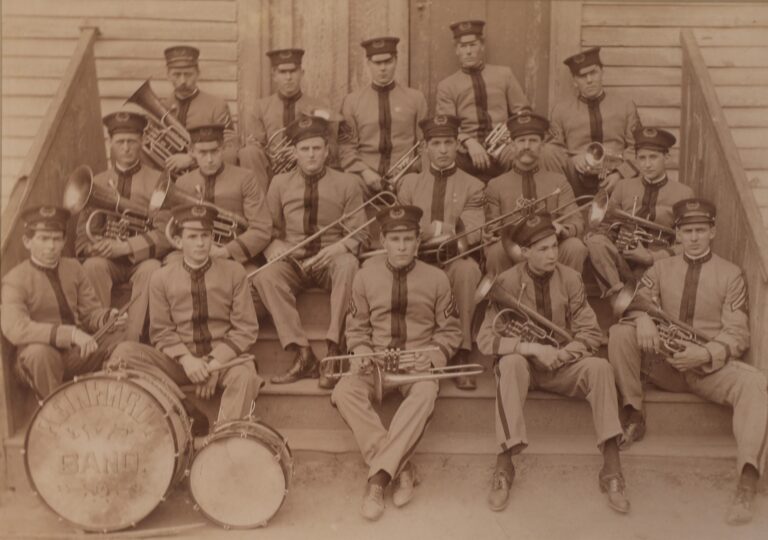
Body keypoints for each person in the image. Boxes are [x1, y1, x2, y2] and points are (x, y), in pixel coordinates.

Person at [607, 198, 766, 525]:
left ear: (713, 232)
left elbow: (738, 333)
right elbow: (636, 303)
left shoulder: (731, 274)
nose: (694, 237)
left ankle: (748, 480)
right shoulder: (659, 268)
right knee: (620, 333)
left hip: (708, 369)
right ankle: (634, 414)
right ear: (677, 234)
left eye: (701, 230)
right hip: (664, 365)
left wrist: (706, 353)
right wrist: (642, 319)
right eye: (687, 231)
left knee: (754, 383)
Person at [477, 213, 629, 515]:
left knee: (600, 368)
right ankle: (504, 466)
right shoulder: (506, 282)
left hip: (563, 364)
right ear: (525, 252)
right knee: (509, 365)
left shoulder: (570, 278)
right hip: (527, 369)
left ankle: (612, 468)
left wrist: (562, 353)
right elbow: (485, 341)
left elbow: (590, 332)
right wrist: (531, 348)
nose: (552, 254)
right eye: (543, 249)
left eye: (554, 247)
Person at [331, 204, 462, 521]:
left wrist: (433, 356)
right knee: (343, 391)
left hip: (417, 363)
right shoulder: (364, 277)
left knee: (426, 394)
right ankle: (401, 467)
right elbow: (357, 327)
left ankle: (377, 481)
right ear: (382, 242)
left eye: (408, 239)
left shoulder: (438, 279)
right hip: (375, 362)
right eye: (395, 239)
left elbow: (451, 331)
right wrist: (360, 349)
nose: (402, 246)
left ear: (418, 242)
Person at [106, 204, 263, 428]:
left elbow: (245, 329)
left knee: (245, 375)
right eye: (192, 236)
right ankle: (181, 407)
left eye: (205, 236)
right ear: (178, 242)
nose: (200, 243)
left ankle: (226, 437)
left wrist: (211, 365)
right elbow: (161, 331)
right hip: (179, 362)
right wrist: (188, 361)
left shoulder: (234, 272)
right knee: (124, 353)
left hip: (223, 361)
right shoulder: (161, 277)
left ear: (212, 238)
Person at [252, 114, 366, 387]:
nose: (311, 155)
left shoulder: (348, 183)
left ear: (327, 151)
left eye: (317, 148)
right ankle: (303, 354)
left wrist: (340, 247)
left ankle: (335, 351)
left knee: (349, 265)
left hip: (331, 260)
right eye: (305, 149)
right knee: (264, 276)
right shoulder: (279, 183)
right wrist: (272, 244)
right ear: (294, 153)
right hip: (294, 261)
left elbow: (361, 233)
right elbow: (268, 227)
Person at [397, 114, 483, 390]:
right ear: (425, 147)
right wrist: (445, 229)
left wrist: (430, 228)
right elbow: (401, 231)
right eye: (436, 143)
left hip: (454, 259)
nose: (443, 150)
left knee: (468, 270)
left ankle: (462, 353)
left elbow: (472, 233)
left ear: (458, 144)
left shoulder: (474, 186)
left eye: (449, 142)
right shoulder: (408, 184)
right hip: (415, 259)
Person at [2, 206, 123, 398]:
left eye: (56, 239)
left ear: (64, 241)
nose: (51, 246)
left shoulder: (73, 267)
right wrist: (71, 334)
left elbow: (90, 312)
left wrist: (107, 317)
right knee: (40, 354)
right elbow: (16, 329)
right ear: (27, 241)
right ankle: (55, 413)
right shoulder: (15, 279)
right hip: (37, 359)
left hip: (75, 353)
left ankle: (108, 401)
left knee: (123, 339)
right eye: (43, 238)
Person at [75, 111, 166, 342]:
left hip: (143, 259)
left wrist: (125, 246)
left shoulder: (158, 180)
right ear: (111, 144)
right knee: (93, 266)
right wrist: (93, 248)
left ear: (143, 142)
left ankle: (131, 340)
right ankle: (98, 338)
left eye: (132, 142)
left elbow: (166, 231)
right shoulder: (96, 181)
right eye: (120, 142)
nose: (126, 148)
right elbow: (83, 236)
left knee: (153, 270)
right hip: (107, 260)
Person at [586, 127, 693, 298]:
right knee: (595, 241)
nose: (647, 164)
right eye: (642, 158)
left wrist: (651, 257)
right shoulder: (623, 186)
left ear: (666, 157)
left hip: (657, 264)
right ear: (636, 159)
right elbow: (605, 227)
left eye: (653, 157)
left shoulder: (683, 193)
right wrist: (617, 241)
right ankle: (618, 294)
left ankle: (631, 301)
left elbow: (687, 243)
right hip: (622, 260)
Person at [484, 112, 588, 277]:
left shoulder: (559, 182)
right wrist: (491, 234)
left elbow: (576, 222)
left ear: (541, 146)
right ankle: (503, 300)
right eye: (521, 141)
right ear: (512, 146)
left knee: (575, 247)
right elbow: (492, 227)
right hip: (515, 250)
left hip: (551, 248)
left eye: (533, 141)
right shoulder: (495, 185)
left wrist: (564, 229)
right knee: (496, 251)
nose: (527, 146)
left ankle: (570, 298)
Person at [435, 19, 528, 182]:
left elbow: (523, 113)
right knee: (442, 159)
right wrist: (470, 143)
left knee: (523, 157)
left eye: (473, 44)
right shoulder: (447, 86)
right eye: (463, 46)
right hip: (466, 153)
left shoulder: (504, 75)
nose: (469, 51)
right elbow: (446, 128)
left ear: (482, 46)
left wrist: (511, 139)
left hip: (503, 148)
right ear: (457, 50)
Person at [173, 124, 272, 274]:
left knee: (251, 279)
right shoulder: (183, 182)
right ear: (191, 151)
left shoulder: (246, 178)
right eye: (202, 152)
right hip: (191, 253)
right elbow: (175, 227)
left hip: (235, 256)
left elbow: (261, 228)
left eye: (215, 151)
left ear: (223, 148)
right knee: (170, 272)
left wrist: (226, 251)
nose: (210, 159)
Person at [338, 37, 427, 195]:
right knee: (348, 185)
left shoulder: (416, 98)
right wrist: (364, 172)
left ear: (396, 61)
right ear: (368, 64)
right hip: (365, 177)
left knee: (414, 186)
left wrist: (411, 169)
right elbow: (346, 147)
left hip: (405, 176)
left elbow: (424, 145)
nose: (383, 68)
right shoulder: (351, 102)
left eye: (388, 62)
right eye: (377, 63)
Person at [550, 47, 641, 197]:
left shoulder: (625, 106)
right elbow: (554, 151)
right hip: (575, 181)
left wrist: (621, 174)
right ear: (574, 81)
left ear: (602, 72)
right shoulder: (560, 110)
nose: (589, 80)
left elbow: (637, 147)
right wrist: (573, 159)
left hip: (616, 179)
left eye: (593, 73)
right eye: (582, 76)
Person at [239, 48, 329, 189]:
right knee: (248, 152)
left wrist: (301, 153)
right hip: (271, 170)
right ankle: (261, 205)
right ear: (274, 76)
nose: (288, 77)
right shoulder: (261, 106)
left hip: (307, 167)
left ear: (301, 73)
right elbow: (257, 144)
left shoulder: (319, 107)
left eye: (293, 71)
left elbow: (329, 145)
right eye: (282, 72)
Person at [161, 45, 238, 175]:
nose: (183, 80)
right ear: (168, 75)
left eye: (188, 74)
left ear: (198, 74)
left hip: (206, 176)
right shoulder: (161, 107)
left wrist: (192, 159)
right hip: (167, 175)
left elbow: (230, 152)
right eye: (176, 75)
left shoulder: (217, 106)